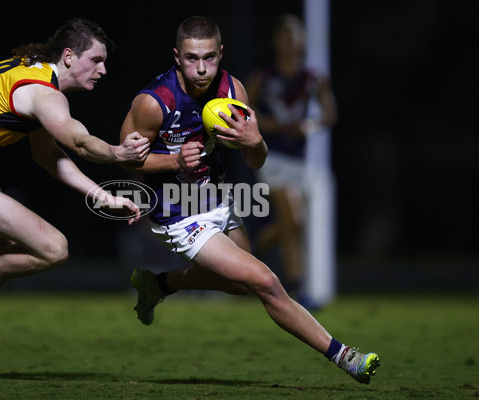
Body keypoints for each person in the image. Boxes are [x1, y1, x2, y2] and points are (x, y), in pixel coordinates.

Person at [120, 16, 379, 384]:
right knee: (266, 282)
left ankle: (158, 286)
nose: (201, 68)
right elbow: (123, 155)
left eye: (209, 57)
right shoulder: (153, 103)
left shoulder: (232, 90)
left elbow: (255, 160)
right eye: (192, 58)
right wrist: (171, 163)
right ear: (176, 56)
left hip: (217, 199)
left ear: (220, 53)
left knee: (239, 285)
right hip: (177, 212)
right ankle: (344, 355)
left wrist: (255, 141)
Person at [0, 18, 150, 379]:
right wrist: (118, 154)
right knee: (54, 249)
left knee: (1, 261)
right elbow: (79, 142)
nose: (103, 69)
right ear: (69, 56)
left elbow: (48, 156)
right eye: (96, 60)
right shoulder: (45, 94)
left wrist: (102, 196)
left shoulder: (34, 69)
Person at [246, 14, 338, 304]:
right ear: (276, 41)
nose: (289, 42)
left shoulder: (314, 79)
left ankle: (248, 250)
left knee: (290, 225)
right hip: (271, 157)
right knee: (295, 221)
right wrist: (270, 125)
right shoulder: (262, 78)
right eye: (284, 36)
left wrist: (307, 126)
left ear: (302, 42)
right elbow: (242, 110)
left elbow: (329, 116)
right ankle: (299, 290)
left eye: (294, 36)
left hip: (299, 159)